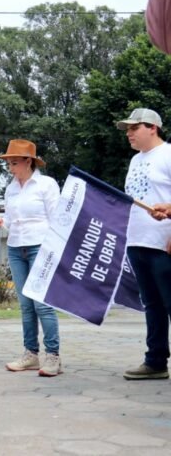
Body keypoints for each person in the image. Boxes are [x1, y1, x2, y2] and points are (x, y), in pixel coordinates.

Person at [0, 139, 62, 377]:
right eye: (8, 163)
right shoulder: (11, 188)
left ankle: (53, 356)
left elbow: (56, 218)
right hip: (15, 246)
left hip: (39, 246)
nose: (10, 168)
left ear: (28, 162)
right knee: (25, 304)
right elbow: (10, 220)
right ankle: (30, 353)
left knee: (42, 303)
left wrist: (54, 249)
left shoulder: (46, 184)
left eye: (14, 163)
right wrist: (2, 223)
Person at [116, 108, 171, 380]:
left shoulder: (169, 155)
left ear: (152, 128)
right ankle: (156, 360)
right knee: (152, 304)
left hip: (164, 243)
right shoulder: (135, 161)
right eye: (127, 129)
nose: (129, 134)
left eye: (133, 128)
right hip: (137, 240)